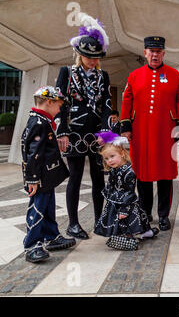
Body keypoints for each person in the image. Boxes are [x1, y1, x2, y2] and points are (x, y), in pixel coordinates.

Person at [120, 36, 179, 231]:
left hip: (166, 132)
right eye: (151, 51)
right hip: (140, 132)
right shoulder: (134, 75)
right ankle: (145, 212)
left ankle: (164, 215)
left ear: (163, 53)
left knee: (166, 175)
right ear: (145, 53)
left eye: (158, 51)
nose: (155, 54)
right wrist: (126, 127)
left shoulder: (175, 75)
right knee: (143, 175)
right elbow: (127, 100)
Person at [56, 14, 112, 240]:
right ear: (80, 54)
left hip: (96, 133)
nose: (92, 60)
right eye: (88, 56)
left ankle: (100, 220)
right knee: (76, 177)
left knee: (99, 178)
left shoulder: (103, 76)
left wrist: (106, 133)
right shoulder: (67, 73)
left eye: (96, 57)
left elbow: (107, 104)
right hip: (74, 133)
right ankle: (73, 224)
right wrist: (62, 131)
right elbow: (59, 103)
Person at [21, 86, 76, 263]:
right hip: (39, 178)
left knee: (48, 208)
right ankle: (32, 245)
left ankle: (51, 237)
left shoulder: (42, 120)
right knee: (37, 209)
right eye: (58, 105)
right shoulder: (39, 123)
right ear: (49, 102)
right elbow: (33, 154)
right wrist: (32, 179)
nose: (60, 110)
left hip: (47, 177)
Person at [94, 131, 159, 248]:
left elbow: (129, 192)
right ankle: (123, 234)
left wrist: (124, 208)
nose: (109, 161)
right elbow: (111, 184)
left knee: (129, 219)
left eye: (112, 156)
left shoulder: (129, 172)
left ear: (122, 154)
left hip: (127, 202)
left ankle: (141, 234)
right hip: (115, 199)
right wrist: (109, 194)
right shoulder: (114, 169)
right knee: (115, 218)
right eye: (106, 159)